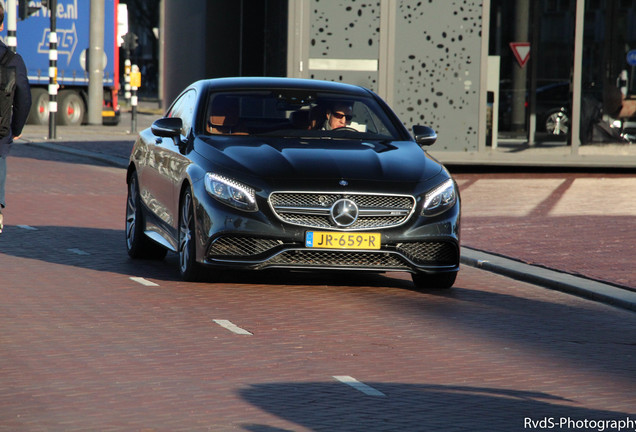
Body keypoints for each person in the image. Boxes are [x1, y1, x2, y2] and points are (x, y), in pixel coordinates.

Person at [0, 4, 31, 234]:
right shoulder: (13, 60)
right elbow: (25, 98)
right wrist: (16, 128)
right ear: (1, 26)